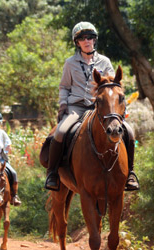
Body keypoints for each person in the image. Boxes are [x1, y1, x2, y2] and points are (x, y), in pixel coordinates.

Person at [44, 22, 139, 191]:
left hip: (102, 109)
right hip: (77, 107)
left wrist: (122, 110)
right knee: (60, 131)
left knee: (129, 132)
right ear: (77, 42)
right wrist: (63, 105)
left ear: (94, 40)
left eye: (90, 37)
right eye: (82, 38)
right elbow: (64, 87)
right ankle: (52, 174)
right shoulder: (70, 63)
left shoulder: (105, 61)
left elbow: (115, 87)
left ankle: (130, 173)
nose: (86, 41)